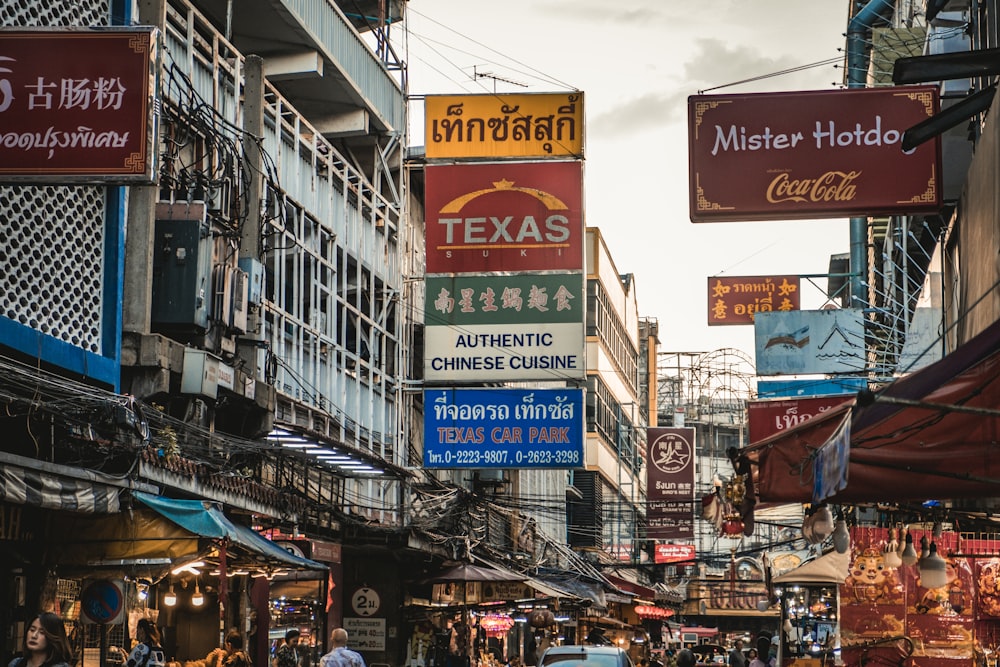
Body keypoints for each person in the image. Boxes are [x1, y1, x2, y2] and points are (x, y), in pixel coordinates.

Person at [7, 612, 74, 667]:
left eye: (42, 632)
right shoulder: (15, 664)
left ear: (52, 636)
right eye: (32, 630)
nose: (34, 636)